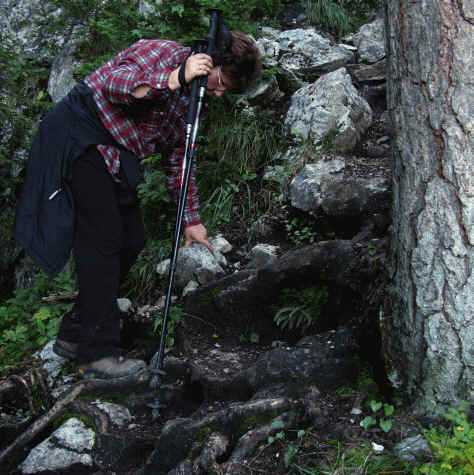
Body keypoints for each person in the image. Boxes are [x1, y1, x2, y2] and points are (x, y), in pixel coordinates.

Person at [14, 31, 261, 379]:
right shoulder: (162, 52)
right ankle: (97, 354)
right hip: (77, 134)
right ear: (210, 62)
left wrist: (191, 219)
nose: (220, 92)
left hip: (114, 153)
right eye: (221, 82)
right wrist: (176, 77)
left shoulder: (196, 99)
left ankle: (75, 332)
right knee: (103, 239)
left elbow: (179, 158)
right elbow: (118, 85)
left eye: (227, 89)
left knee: (133, 240)